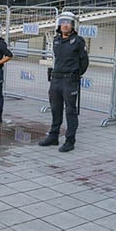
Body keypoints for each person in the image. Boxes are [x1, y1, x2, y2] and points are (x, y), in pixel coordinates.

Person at [38, 12, 89, 152]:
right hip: (56, 80)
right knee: (55, 108)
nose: (65, 25)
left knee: (71, 111)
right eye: (63, 22)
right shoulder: (56, 40)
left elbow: (84, 62)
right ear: (59, 25)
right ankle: (53, 136)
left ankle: (70, 140)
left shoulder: (78, 41)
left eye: (68, 22)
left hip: (69, 80)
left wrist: (74, 75)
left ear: (72, 25)